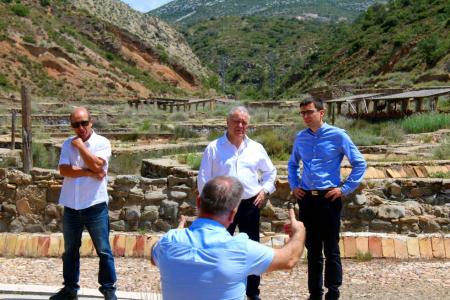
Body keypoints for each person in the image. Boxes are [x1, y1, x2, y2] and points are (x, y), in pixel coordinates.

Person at [152, 176, 306, 300]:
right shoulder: (240, 248)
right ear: (233, 214)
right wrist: (299, 231)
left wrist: (177, 232)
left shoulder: (169, 241)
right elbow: (289, 259)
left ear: (198, 202)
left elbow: (154, 255)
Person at [288, 99, 367, 300]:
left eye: (309, 112)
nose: (305, 116)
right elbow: (292, 164)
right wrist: (294, 185)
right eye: (302, 113)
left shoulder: (338, 135)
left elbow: (360, 164)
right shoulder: (300, 138)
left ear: (321, 113)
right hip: (307, 199)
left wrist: (345, 189)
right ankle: (315, 293)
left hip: (329, 199)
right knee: (312, 248)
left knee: (331, 247)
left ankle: (333, 292)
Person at [197, 106, 277, 300]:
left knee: (252, 247)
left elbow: (271, 172)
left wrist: (264, 190)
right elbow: (203, 178)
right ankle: (218, 289)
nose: (240, 125)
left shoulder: (256, 148)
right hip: (221, 206)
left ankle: (252, 292)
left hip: (250, 204)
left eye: (244, 122)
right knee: (218, 247)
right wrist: (207, 206)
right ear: (227, 122)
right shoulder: (214, 147)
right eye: (236, 121)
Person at [50, 107, 117, 300]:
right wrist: (88, 172)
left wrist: (80, 147)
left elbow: (98, 165)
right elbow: (64, 170)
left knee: (103, 250)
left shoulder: (102, 142)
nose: (80, 128)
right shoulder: (66, 144)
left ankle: (108, 289)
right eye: (75, 124)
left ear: (91, 122)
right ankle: (70, 289)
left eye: (83, 123)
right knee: (70, 250)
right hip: (72, 205)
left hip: (95, 204)